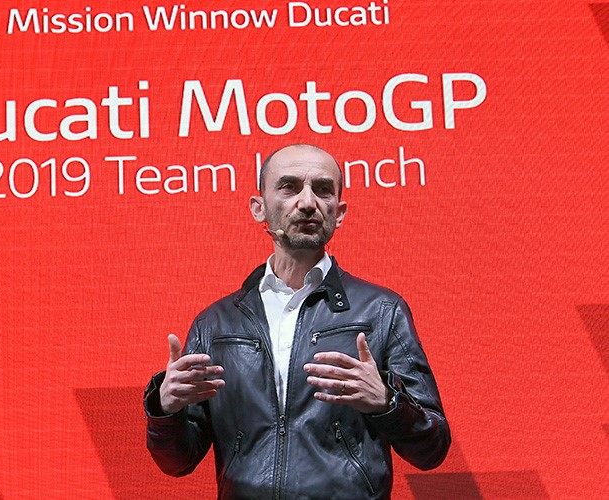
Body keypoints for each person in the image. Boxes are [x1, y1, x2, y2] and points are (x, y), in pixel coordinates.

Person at [144, 144, 450, 499]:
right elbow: (177, 462)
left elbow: (432, 449)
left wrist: (387, 403)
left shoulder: (380, 310)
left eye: (323, 189)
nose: (307, 202)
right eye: (289, 187)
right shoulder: (216, 323)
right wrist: (166, 409)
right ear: (259, 208)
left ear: (339, 212)